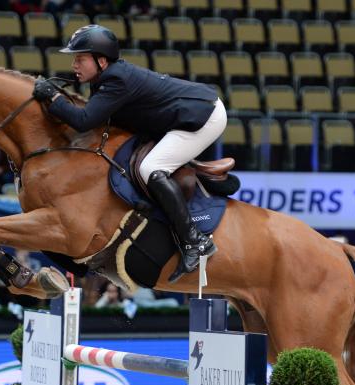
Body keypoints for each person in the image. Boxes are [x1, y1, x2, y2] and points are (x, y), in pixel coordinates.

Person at [31, 24, 225, 282]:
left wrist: (53, 99)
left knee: (151, 169)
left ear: (101, 61)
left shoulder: (116, 80)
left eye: (81, 58)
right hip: (177, 116)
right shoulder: (105, 79)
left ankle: (195, 241)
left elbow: (83, 120)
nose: (74, 64)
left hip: (203, 117)